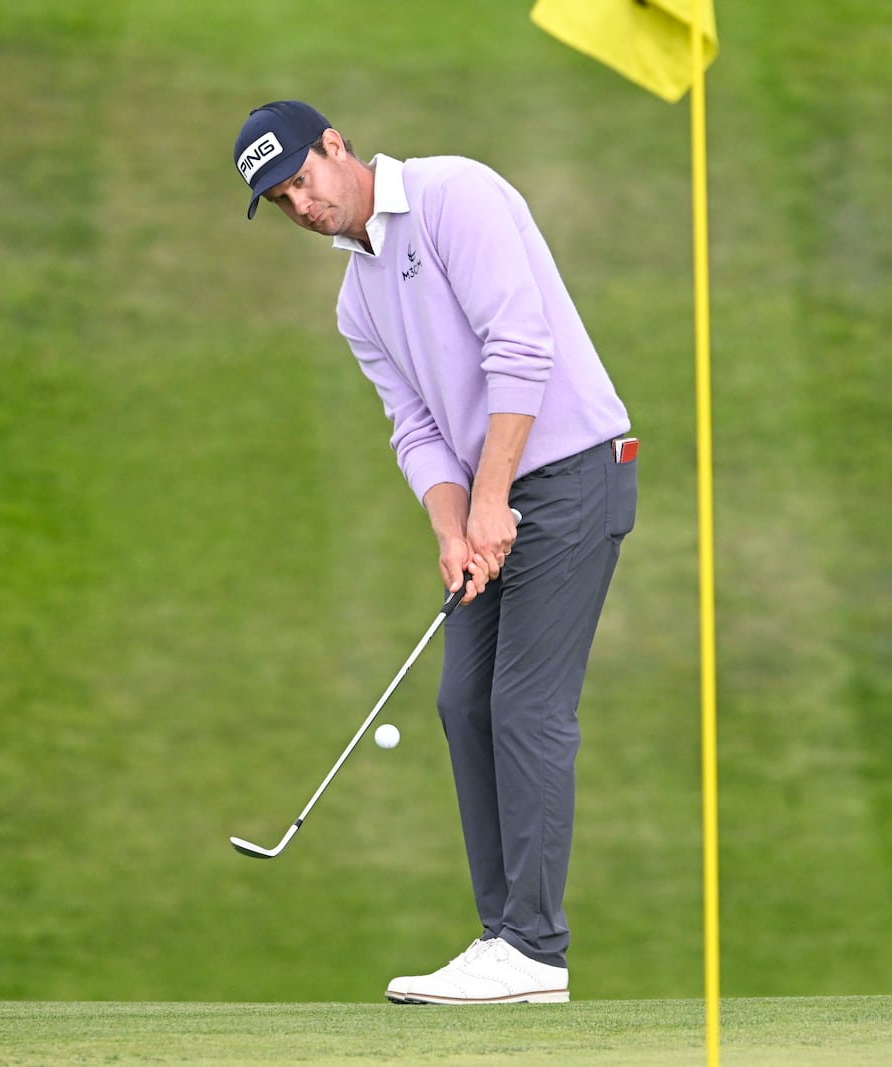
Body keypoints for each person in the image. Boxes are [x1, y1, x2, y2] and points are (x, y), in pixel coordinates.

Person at [233, 100, 638, 1005]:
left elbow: (519, 346)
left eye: (302, 178)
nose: (301, 205)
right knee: (464, 702)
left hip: (572, 474)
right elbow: (414, 428)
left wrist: (494, 497)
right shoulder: (355, 301)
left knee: (527, 706)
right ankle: (504, 938)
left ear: (336, 146)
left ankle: (535, 948)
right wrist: (453, 528)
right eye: (281, 199)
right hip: (496, 493)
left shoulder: (457, 194)